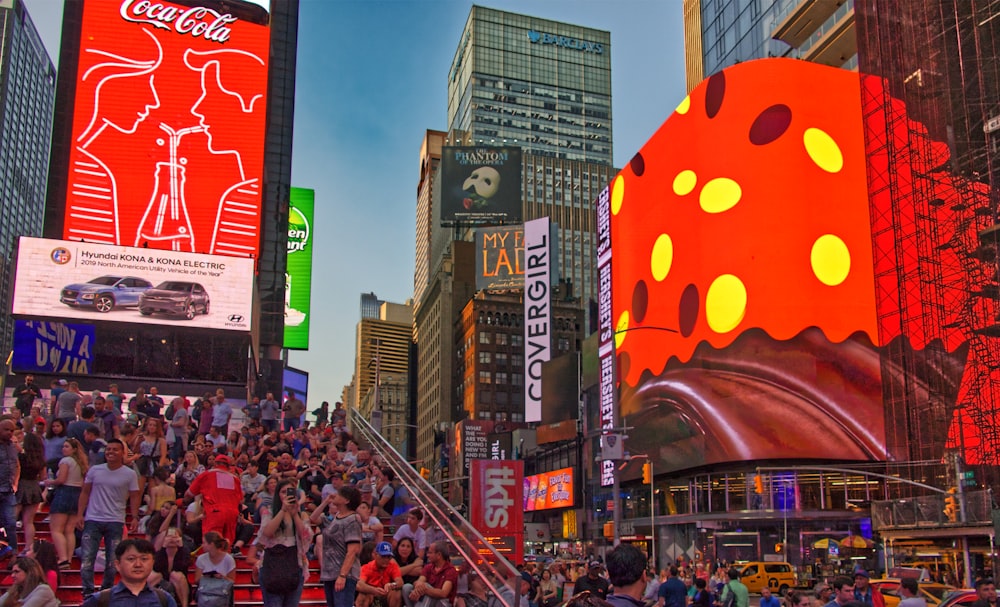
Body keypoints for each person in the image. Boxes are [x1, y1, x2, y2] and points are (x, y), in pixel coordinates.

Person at [77, 438, 141, 599]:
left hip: (116, 520)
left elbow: (134, 496)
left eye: (114, 449)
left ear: (122, 453)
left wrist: (134, 517)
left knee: (113, 562)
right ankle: (87, 592)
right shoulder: (95, 470)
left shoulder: (130, 474)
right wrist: (80, 514)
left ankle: (106, 591)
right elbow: (85, 492)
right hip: (93, 518)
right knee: (87, 559)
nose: (110, 452)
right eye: (108, 450)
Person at [256, 478, 311, 607]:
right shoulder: (269, 511)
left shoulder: (301, 514)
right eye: (283, 492)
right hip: (272, 565)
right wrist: (282, 510)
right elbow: (266, 533)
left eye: (289, 492)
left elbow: (305, 536)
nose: (286, 495)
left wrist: (295, 514)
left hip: (295, 565)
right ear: (277, 494)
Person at [82, 538, 177, 607]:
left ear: (152, 563)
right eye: (131, 559)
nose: (138, 564)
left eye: (144, 559)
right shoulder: (100, 600)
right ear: (118, 565)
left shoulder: (164, 600)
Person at [310, 484, 362, 607]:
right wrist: (326, 502)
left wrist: (342, 575)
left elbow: (352, 551)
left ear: (346, 500)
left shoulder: (352, 519)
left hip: (344, 573)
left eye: (339, 494)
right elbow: (313, 518)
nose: (335, 495)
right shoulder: (336, 517)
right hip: (330, 573)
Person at [45, 437, 88, 568]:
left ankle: (63, 558)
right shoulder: (81, 463)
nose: (63, 449)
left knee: (56, 529)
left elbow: (61, 479)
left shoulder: (65, 461)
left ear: (74, 449)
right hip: (77, 495)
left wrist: (50, 482)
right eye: (63, 446)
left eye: (67, 446)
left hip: (64, 493)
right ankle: (68, 559)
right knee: (69, 530)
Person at [185, 454, 243, 546]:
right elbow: (241, 500)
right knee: (226, 544)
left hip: (214, 512)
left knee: (211, 543)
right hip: (232, 513)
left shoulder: (206, 475)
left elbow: (189, 494)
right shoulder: (235, 479)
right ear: (228, 466)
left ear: (215, 463)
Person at [17, 425, 46, 556]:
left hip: (21, 486)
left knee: (10, 517)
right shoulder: (40, 459)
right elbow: (43, 477)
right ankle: (28, 547)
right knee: (28, 521)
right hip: (34, 487)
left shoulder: (21, 457)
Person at [404, 540, 458, 607]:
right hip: (428, 599)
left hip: (444, 603)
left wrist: (425, 590)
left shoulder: (450, 570)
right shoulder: (428, 567)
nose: (427, 555)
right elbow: (419, 581)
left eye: (430, 553)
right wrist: (418, 587)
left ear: (439, 555)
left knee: (427, 588)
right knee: (407, 587)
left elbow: (444, 593)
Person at [149, 527, 191, 607]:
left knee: (176, 575)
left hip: (180, 586)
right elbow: (157, 568)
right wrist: (164, 547)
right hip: (161, 584)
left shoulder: (184, 552)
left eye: (175, 537)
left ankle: (185, 605)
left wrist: (181, 547)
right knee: (153, 575)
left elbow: (182, 568)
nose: (171, 539)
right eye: (169, 536)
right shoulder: (159, 553)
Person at [357, 541, 404, 607]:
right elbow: (359, 585)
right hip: (371, 595)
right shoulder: (366, 567)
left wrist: (392, 585)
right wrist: (374, 590)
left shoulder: (392, 565)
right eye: (383, 556)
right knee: (363, 595)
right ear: (375, 555)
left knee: (396, 593)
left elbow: (400, 582)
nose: (386, 559)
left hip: (386, 595)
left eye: (388, 557)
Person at [0, 418, 21, 556]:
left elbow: (17, 465)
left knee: (11, 523)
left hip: (8, 490)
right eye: (6, 429)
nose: (9, 432)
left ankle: (13, 553)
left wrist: (16, 483)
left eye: (12, 430)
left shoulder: (13, 447)